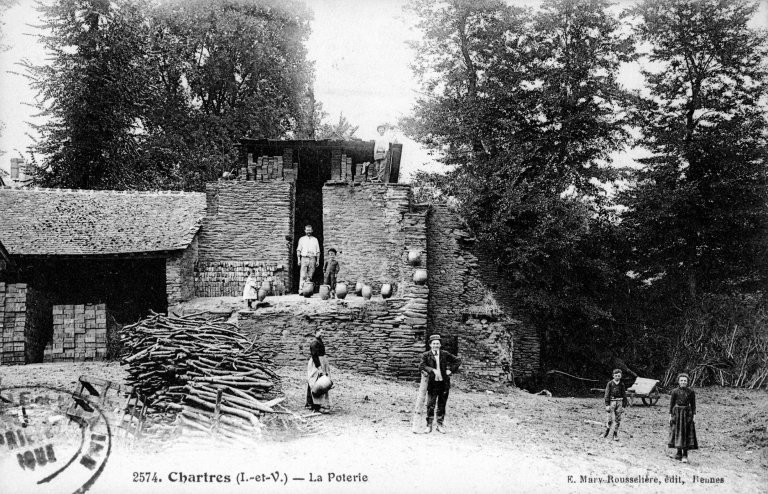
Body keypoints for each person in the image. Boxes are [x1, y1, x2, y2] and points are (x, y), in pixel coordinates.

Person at [419, 334, 462, 433]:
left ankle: (439, 424)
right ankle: (429, 425)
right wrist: (432, 370)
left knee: (442, 404)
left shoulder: (444, 354)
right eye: (434, 344)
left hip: (443, 383)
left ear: (440, 344)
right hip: (432, 384)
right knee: (430, 404)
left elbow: (457, 361)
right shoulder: (426, 355)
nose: (436, 345)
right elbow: (421, 366)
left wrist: (450, 370)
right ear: (430, 344)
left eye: (437, 344)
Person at [668, 373, 698, 462]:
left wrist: (694, 416)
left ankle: (685, 454)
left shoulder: (691, 392)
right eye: (681, 380)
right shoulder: (674, 392)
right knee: (677, 432)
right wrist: (670, 415)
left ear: (687, 382)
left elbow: (693, 405)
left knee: (686, 433)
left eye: (685, 381)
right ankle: (678, 453)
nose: (683, 382)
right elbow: (671, 404)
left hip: (687, 413)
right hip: (677, 413)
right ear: (678, 381)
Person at [306, 328, 331, 412]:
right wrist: (319, 367)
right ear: (316, 332)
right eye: (321, 332)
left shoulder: (319, 341)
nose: (322, 334)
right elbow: (314, 356)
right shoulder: (314, 342)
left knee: (322, 382)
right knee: (315, 382)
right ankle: (315, 406)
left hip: (322, 362)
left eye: (323, 333)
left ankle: (311, 403)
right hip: (316, 364)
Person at [603, 369, 628, 441]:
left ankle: (615, 433)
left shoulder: (622, 384)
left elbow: (624, 395)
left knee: (618, 418)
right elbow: (607, 394)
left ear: (621, 376)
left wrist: (623, 406)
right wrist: (607, 405)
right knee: (609, 418)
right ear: (613, 376)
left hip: (619, 402)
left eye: (619, 376)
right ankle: (607, 431)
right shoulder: (610, 384)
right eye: (616, 376)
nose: (617, 377)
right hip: (612, 402)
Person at [296, 224, 320, 290]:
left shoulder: (315, 239)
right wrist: (298, 260)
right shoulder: (302, 239)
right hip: (304, 258)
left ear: (312, 231)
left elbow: (318, 251)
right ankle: (301, 289)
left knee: (310, 274)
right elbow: (298, 250)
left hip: (312, 258)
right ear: (305, 231)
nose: (308, 232)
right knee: (303, 274)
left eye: (310, 230)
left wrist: (317, 260)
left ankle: (308, 290)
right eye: (307, 230)